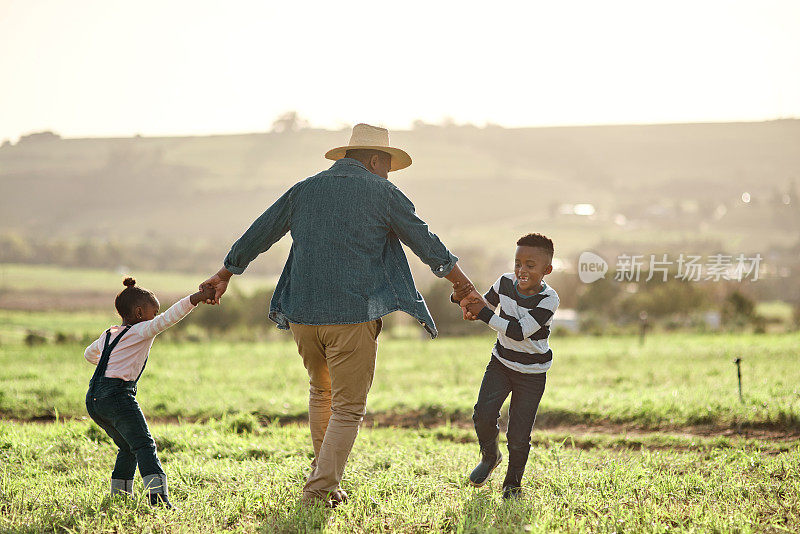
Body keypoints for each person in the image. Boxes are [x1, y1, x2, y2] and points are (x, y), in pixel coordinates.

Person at [200, 123, 481, 507]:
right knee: (348, 406)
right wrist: (463, 287)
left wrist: (224, 274)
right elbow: (427, 244)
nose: (388, 174)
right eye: (388, 166)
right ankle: (318, 491)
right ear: (376, 159)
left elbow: (259, 233)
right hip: (352, 315)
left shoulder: (304, 190)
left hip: (303, 315)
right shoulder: (383, 193)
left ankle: (325, 479)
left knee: (322, 392)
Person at [84, 277, 214, 508]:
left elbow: (89, 354)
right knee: (145, 445)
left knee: (127, 447)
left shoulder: (108, 334)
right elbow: (169, 318)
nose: (156, 317)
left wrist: (111, 366)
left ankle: (120, 497)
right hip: (117, 396)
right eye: (153, 313)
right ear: (139, 312)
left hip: (94, 398)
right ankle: (158, 499)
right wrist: (196, 298)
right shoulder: (141, 330)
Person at [456, 233, 559, 499]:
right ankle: (490, 457)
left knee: (518, 434)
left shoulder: (549, 299)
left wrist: (485, 314)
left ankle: (512, 483)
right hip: (501, 363)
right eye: (518, 263)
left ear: (546, 270)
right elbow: (486, 306)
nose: (521, 270)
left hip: (532, 374)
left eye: (530, 265)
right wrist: (467, 303)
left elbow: (518, 331)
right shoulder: (504, 282)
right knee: (483, 414)